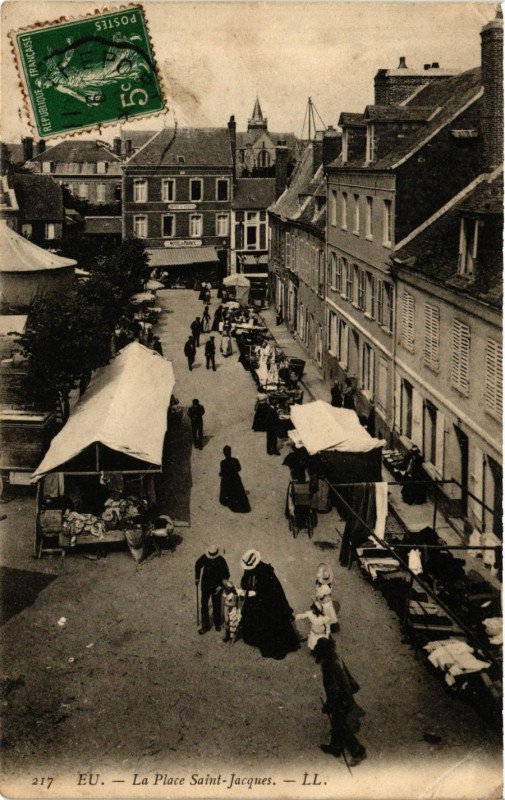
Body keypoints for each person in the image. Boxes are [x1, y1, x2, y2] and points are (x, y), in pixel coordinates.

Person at [314, 637, 366, 766]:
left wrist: (329, 705)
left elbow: (334, 690)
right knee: (337, 724)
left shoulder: (329, 667)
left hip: (340, 702)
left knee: (342, 727)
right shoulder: (335, 657)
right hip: (345, 696)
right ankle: (335, 747)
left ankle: (358, 752)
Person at [239, 549, 300, 660]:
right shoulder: (249, 570)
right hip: (254, 601)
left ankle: (274, 649)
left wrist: (255, 593)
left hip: (268, 603)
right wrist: (247, 591)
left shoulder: (266, 572)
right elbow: (245, 582)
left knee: (269, 624)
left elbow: (271, 592)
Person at [195, 545, 230, 634]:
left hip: (216, 587)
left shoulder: (221, 560)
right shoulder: (205, 557)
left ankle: (217, 624)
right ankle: (205, 625)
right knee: (204, 605)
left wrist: (221, 586)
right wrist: (197, 577)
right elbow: (198, 564)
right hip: (205, 586)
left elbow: (226, 574)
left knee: (217, 605)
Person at [219, 446, 250, 513]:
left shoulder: (223, 462)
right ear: (230, 452)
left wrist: (221, 474)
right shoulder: (235, 460)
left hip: (228, 482)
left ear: (224, 454)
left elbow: (223, 473)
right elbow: (239, 469)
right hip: (236, 480)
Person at [221, 579, 242, 643]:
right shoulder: (225, 594)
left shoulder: (233, 595)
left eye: (227, 590)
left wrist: (227, 603)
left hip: (232, 610)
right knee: (226, 621)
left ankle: (232, 637)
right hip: (226, 610)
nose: (226, 591)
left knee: (232, 623)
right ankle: (227, 635)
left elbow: (234, 603)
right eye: (225, 589)